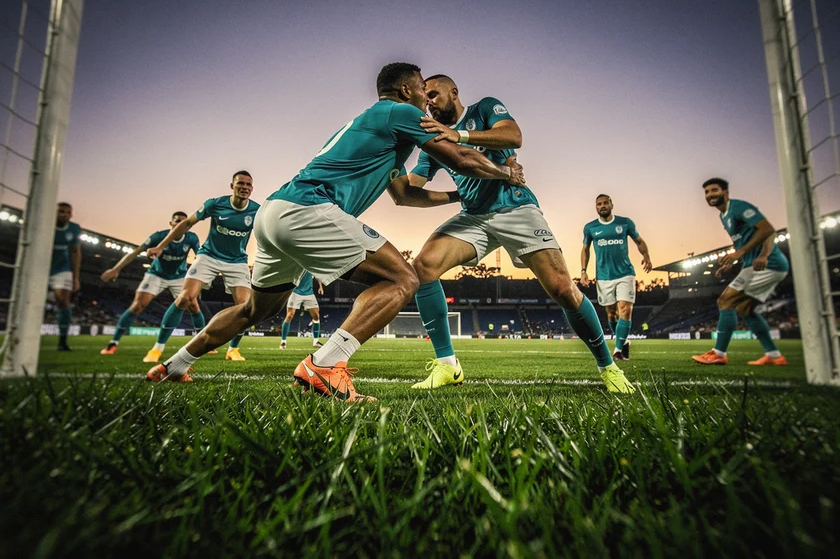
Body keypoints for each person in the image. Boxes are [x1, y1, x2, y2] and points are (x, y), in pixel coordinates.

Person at [146, 62, 522, 402]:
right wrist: (506, 174)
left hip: (275, 214)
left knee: (254, 309)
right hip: (309, 210)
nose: (427, 99)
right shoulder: (403, 112)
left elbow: (405, 195)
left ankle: (174, 365)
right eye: (424, 89)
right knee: (403, 279)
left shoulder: (379, 126)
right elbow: (459, 158)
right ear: (406, 90)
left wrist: (457, 195)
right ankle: (325, 365)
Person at [407, 75, 633, 393]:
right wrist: (447, 193)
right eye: (424, 97)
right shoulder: (433, 142)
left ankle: (609, 368)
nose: (428, 101)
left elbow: (514, 136)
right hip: (474, 217)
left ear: (453, 93)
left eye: (433, 94)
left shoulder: (484, 108)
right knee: (423, 268)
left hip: (516, 208)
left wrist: (458, 135)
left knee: (563, 289)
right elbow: (411, 191)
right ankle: (447, 365)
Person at [144, 171, 259, 363]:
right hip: (209, 255)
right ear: (232, 186)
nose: (244, 188)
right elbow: (187, 223)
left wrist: (257, 261)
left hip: (237, 261)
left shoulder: (257, 210)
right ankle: (157, 349)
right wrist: (160, 246)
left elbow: (264, 237)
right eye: (240, 183)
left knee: (246, 308)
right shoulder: (215, 204)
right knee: (185, 298)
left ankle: (233, 350)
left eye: (248, 185)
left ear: (252, 189)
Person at [692, 178, 790, 366]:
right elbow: (744, 240)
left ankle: (719, 353)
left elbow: (768, 230)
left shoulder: (738, 207)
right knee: (745, 309)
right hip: (753, 265)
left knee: (725, 300)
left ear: (726, 192)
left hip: (767, 264)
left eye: (714, 190)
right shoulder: (724, 216)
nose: (710, 195)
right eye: (706, 192)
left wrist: (761, 255)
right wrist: (732, 261)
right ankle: (775, 355)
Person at [99, 211, 201, 355]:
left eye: (184, 222)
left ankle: (202, 339)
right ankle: (113, 343)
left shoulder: (191, 238)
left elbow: (200, 256)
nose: (181, 224)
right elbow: (135, 253)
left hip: (179, 276)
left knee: (194, 306)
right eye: (177, 221)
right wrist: (116, 269)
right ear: (171, 223)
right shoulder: (158, 237)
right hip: (156, 275)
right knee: (137, 306)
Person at [580, 194, 652, 361]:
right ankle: (624, 341)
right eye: (599, 204)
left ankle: (618, 349)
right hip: (604, 277)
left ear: (612, 204)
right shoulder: (590, 227)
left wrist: (646, 255)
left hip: (625, 273)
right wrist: (583, 271)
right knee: (611, 314)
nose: (602, 206)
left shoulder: (625, 223)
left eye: (606, 203)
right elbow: (585, 249)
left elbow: (639, 241)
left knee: (625, 309)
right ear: (596, 207)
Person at [50, 202, 82, 351]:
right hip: (40, 265)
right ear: (54, 212)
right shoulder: (45, 224)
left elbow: (75, 253)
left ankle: (62, 341)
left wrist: (75, 277)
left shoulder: (74, 229)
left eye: (67, 212)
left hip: (62, 268)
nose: (64, 214)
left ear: (71, 215)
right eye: (61, 211)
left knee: (63, 301)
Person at [280, 272, 324, 349]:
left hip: (309, 293)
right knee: (290, 315)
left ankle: (316, 341)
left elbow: (318, 274)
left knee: (316, 316)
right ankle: (283, 342)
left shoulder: (312, 264)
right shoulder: (298, 262)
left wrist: (320, 287)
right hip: (295, 292)